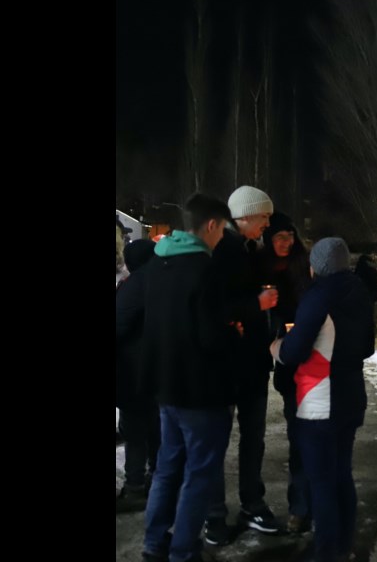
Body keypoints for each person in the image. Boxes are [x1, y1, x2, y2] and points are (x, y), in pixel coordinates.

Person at [139, 193, 238, 562]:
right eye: (222, 230)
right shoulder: (204, 269)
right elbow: (210, 336)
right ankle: (183, 550)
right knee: (199, 474)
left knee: (167, 468)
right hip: (201, 391)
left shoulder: (158, 263)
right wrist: (234, 331)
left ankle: (154, 543)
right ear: (211, 225)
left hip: (167, 387)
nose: (221, 238)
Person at [269, 237, 376, 562]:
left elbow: (295, 349)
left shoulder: (319, 297)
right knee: (341, 473)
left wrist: (278, 349)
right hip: (350, 397)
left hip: (320, 400)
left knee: (321, 482)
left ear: (318, 266)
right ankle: (343, 545)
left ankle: (327, 552)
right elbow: (368, 347)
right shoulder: (358, 293)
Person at [205, 185, 282, 544]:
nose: (267, 223)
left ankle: (245, 506)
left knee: (250, 438)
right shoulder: (226, 250)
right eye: (263, 216)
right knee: (224, 440)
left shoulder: (246, 249)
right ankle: (217, 515)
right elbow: (217, 307)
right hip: (230, 364)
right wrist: (258, 304)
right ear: (244, 215)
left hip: (248, 362)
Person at [255, 211, 313, 534]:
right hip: (281, 358)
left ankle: (306, 507)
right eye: (278, 236)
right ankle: (300, 506)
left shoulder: (303, 266)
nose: (285, 242)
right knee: (296, 434)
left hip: (305, 357)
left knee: (308, 437)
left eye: (289, 236)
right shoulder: (259, 265)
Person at [116, 239, 160, 511]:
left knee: (134, 430)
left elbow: (118, 326)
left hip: (135, 371)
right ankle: (157, 480)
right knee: (157, 429)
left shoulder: (136, 285)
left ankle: (134, 487)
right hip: (159, 370)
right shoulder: (163, 281)